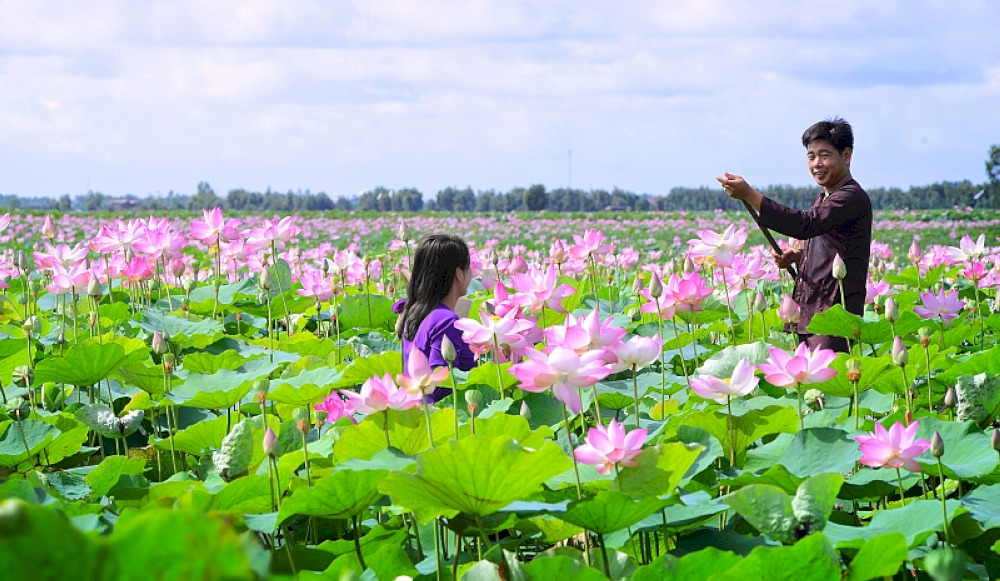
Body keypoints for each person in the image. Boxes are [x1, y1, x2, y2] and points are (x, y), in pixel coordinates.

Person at [717, 117, 872, 352]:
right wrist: (798, 256)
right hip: (811, 310)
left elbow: (805, 224)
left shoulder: (851, 197)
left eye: (825, 155)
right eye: (811, 157)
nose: (816, 163)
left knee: (826, 384)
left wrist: (749, 195)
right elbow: (836, 246)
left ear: (846, 155)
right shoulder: (824, 197)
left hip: (834, 315)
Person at [392, 234, 478, 402]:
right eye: (469, 268)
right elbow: (439, 386)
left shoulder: (413, 313)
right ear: (459, 273)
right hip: (440, 417)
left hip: (414, 408)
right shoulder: (446, 321)